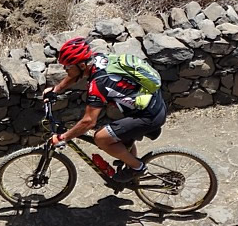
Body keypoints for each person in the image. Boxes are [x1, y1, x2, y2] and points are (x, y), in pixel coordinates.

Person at [43, 37, 167, 183]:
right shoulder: (97, 59)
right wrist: (56, 90)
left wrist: (63, 137)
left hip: (149, 116)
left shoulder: (99, 83)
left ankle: (137, 168)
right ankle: (130, 164)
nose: (65, 69)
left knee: (101, 138)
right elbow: (74, 75)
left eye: (68, 66)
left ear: (82, 65)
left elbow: (88, 121)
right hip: (152, 103)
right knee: (117, 134)